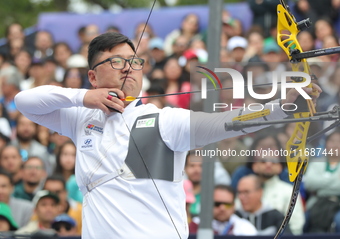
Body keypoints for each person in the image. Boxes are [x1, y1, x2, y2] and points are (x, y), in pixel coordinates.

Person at [14, 32, 320, 238]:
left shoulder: (163, 121)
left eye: (134, 62)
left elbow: (231, 121)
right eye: (116, 62)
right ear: (93, 75)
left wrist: (283, 107)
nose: (128, 69)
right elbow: (24, 102)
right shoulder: (81, 118)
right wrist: (85, 98)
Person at [189, 185, 257, 235]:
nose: (222, 208)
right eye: (217, 204)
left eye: (227, 204)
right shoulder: (195, 225)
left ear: (234, 206)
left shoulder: (246, 228)